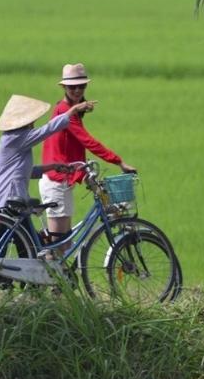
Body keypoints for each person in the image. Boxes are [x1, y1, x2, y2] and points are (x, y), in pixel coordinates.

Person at [40, 63, 136, 246]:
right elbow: (87, 141)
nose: (77, 90)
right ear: (64, 87)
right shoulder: (64, 112)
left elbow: (71, 145)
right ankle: (49, 271)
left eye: (81, 86)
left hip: (63, 179)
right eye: (72, 87)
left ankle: (60, 272)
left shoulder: (70, 110)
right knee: (59, 245)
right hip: (56, 181)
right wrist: (119, 162)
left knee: (64, 243)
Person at [0, 94, 95, 212]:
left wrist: (53, 166)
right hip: (4, 199)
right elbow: (48, 129)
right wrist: (73, 110)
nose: (34, 122)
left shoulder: (13, 138)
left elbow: (24, 171)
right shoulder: (16, 137)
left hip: (5, 199)